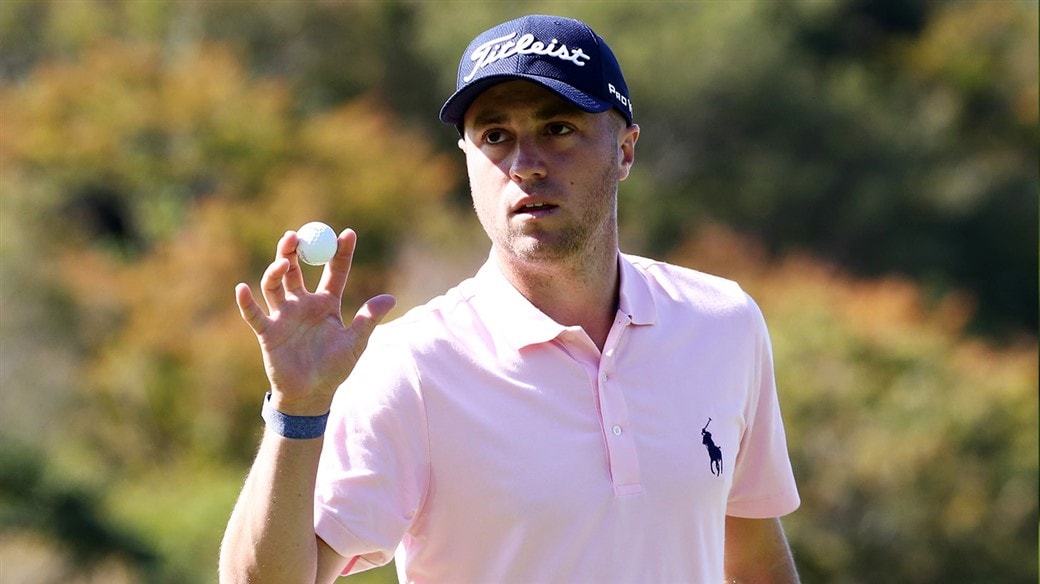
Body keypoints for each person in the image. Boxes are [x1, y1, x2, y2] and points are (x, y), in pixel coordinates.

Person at [220, 14, 800, 584]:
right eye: (495, 137)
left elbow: (750, 560)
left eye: (559, 129)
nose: (526, 165)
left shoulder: (722, 323)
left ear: (625, 150)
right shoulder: (413, 366)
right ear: (469, 162)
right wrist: (297, 411)